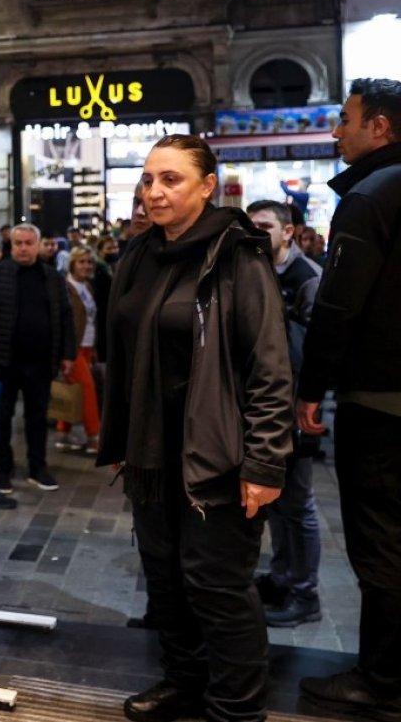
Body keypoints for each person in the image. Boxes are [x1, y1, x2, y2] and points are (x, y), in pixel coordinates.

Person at [98, 134, 293, 722]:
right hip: (151, 454)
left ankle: (236, 708)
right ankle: (184, 680)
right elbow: (126, 355)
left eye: (171, 179)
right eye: (148, 179)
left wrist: (264, 463)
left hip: (215, 454)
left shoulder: (237, 255)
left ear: (208, 186)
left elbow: (269, 365)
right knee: (166, 581)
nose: (154, 191)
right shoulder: (138, 253)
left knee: (217, 586)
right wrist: (121, 438)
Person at [296, 78, 401, 720]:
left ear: (381, 129)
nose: (337, 131)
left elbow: (338, 305)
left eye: (346, 120)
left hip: (380, 401)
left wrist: (312, 390)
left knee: (380, 539)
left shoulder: (369, 197)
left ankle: (382, 679)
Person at [247, 199, 323, 629]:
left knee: (298, 503)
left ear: (289, 231)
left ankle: (304, 592)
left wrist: (305, 400)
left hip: (295, 408)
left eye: (266, 226)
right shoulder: (257, 272)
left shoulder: (306, 277)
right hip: (267, 408)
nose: (258, 233)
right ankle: (281, 577)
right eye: (252, 226)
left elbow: (317, 346)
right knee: (276, 501)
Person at [0, 223, 76, 495]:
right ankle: (2, 469)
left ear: (37, 245)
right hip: (5, 361)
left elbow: (65, 316)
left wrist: (68, 354)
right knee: (2, 417)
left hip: (40, 361)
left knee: (37, 417)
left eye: (28, 243)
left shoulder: (52, 277)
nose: (23, 248)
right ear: (10, 246)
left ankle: (38, 467)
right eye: (18, 243)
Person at [55, 247, 101, 455]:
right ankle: (94, 437)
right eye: (81, 262)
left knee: (73, 391)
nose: (86, 266)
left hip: (87, 346)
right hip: (72, 349)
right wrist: (66, 352)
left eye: (89, 262)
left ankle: (62, 435)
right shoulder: (65, 286)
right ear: (72, 264)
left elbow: (90, 319)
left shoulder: (88, 287)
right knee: (88, 391)